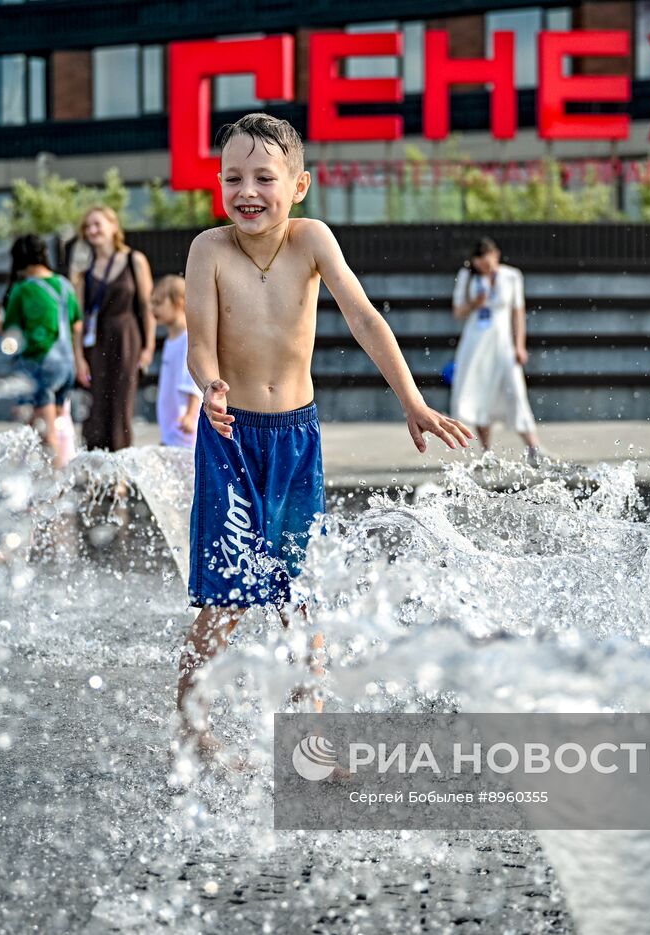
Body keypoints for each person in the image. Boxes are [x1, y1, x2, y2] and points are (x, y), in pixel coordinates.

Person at [178, 112, 473, 759]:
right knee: (227, 598)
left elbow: (364, 318)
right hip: (230, 439)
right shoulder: (209, 250)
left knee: (301, 595)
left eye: (264, 177)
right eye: (233, 177)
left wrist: (412, 400)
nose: (247, 191)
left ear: (299, 185)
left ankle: (309, 730)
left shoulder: (311, 240)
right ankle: (193, 727)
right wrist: (211, 385)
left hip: (295, 438)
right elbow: (200, 342)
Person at [0, 233, 84, 468]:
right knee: (55, 431)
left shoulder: (23, 289)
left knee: (46, 438)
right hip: (66, 366)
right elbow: (77, 325)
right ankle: (53, 478)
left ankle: (55, 485)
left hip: (40, 367)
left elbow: (10, 337)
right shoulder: (64, 285)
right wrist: (79, 360)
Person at [449, 237, 543, 464]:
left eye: (487, 260)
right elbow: (458, 312)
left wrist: (519, 345)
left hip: (502, 341)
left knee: (515, 389)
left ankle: (534, 447)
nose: (484, 265)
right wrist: (475, 303)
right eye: (479, 261)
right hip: (476, 342)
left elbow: (518, 313)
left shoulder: (512, 276)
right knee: (479, 392)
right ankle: (486, 452)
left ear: (496, 255)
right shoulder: (467, 276)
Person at [76, 205, 156, 451]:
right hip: (95, 340)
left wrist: (149, 346)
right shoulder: (84, 267)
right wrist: (78, 358)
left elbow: (147, 306)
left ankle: (121, 463)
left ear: (113, 226)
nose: (92, 230)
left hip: (126, 337)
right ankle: (95, 463)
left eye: (97, 224)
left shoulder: (134, 260)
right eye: (88, 226)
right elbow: (77, 317)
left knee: (122, 403)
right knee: (97, 405)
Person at [152, 274, 201, 448]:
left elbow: (194, 383)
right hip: (171, 429)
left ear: (179, 303)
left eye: (158, 303)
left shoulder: (186, 340)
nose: (152, 308)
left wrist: (190, 415)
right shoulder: (171, 340)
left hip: (185, 428)